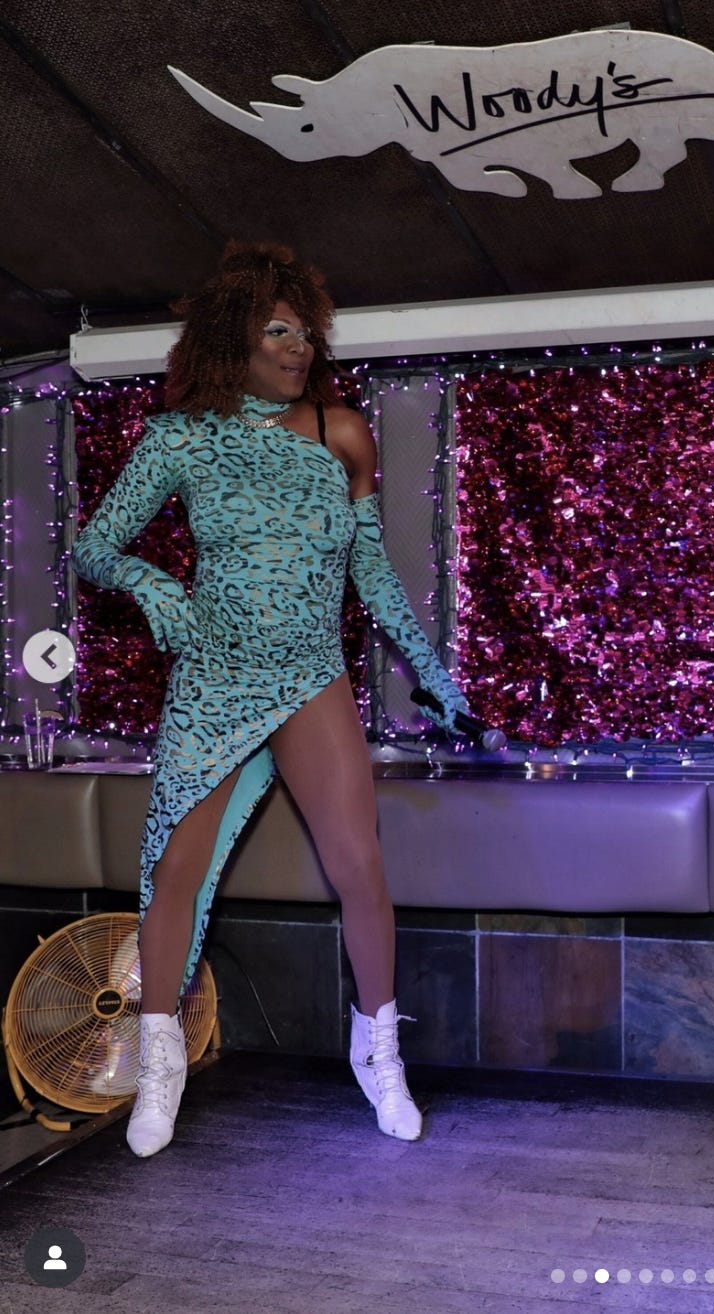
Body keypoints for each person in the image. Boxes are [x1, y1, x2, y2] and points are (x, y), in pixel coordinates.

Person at [72, 241, 470, 1157]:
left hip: (309, 674)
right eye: (278, 331)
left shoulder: (341, 431)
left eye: (306, 333)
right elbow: (94, 545)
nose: (299, 348)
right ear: (232, 339)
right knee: (174, 872)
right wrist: (151, 581)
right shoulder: (180, 437)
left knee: (359, 867)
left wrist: (432, 669)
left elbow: (371, 571)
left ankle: (379, 1054)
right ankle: (159, 1066)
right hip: (214, 678)